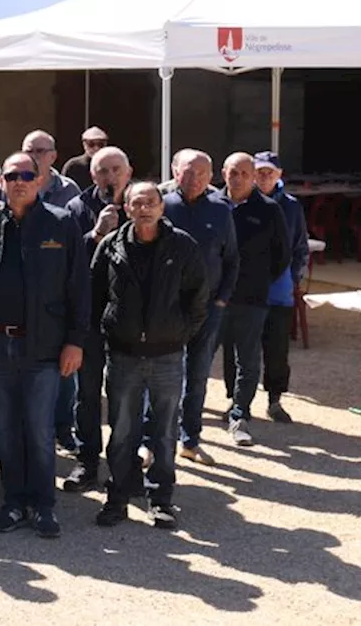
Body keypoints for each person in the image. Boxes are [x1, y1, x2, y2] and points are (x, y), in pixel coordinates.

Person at [0, 152, 88, 539]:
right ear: (2, 182)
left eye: (27, 175)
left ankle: (43, 505)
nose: (19, 181)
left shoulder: (61, 226)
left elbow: (79, 290)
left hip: (43, 349)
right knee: (8, 432)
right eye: (12, 175)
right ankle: (14, 502)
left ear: (40, 179)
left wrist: (74, 342)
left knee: (40, 431)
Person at [93, 182, 208, 530]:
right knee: (122, 430)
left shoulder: (183, 246)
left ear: (162, 207)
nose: (144, 209)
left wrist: (177, 334)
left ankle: (160, 499)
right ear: (126, 209)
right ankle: (118, 497)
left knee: (164, 431)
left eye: (151, 203)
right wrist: (107, 332)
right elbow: (95, 294)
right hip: (124, 355)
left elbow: (198, 298)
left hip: (168, 357)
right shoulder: (111, 246)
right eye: (136, 203)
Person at [160, 149, 238, 466]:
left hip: (206, 308)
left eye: (202, 174)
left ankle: (190, 439)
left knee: (198, 374)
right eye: (188, 172)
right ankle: (155, 441)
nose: (195, 179)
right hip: (165, 307)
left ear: (212, 177)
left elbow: (232, 259)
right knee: (161, 374)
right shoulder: (161, 205)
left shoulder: (221, 210)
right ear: (175, 171)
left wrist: (221, 299)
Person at [61, 145, 133, 491]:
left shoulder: (142, 205)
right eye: (103, 171)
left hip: (128, 319)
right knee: (87, 394)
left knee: (124, 395)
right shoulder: (76, 209)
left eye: (116, 170)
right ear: (92, 176)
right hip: (89, 316)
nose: (110, 177)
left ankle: (125, 466)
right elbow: (67, 263)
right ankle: (87, 461)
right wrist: (96, 236)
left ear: (128, 173)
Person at [220, 153, 291, 447]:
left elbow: (282, 255)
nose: (237, 179)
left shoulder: (270, 210)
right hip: (212, 298)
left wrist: (258, 281)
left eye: (244, 174)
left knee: (247, 360)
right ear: (223, 173)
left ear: (253, 177)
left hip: (251, 297)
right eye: (232, 172)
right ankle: (189, 419)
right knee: (197, 358)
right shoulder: (213, 205)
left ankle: (240, 415)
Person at [253, 151, 309, 424]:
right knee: (241, 349)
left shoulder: (291, 206)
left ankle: (275, 400)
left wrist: (294, 277)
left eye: (269, 172)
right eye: (259, 172)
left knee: (277, 350)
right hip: (246, 289)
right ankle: (237, 401)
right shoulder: (241, 201)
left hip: (279, 289)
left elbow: (301, 245)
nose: (264, 177)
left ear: (279, 175)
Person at [20, 130, 81, 209]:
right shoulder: (11, 185)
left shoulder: (68, 189)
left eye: (40, 151)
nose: (34, 157)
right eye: (29, 151)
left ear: (53, 156)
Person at [62, 126, 109, 191]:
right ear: (84, 145)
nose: (96, 148)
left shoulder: (111, 164)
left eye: (100, 144)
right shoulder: (73, 165)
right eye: (91, 144)